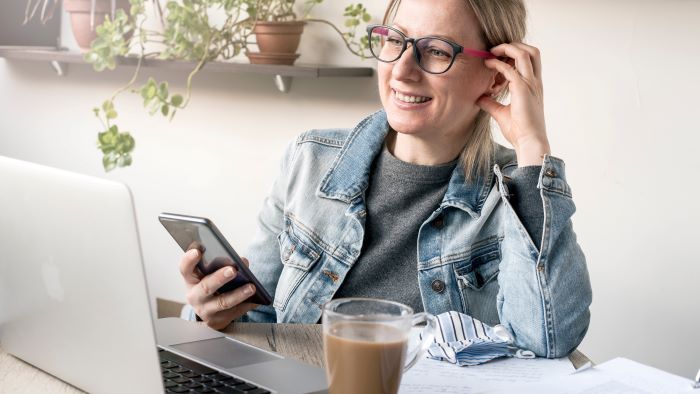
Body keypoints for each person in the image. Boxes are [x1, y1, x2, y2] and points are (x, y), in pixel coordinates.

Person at [179, 0, 592, 358]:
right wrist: (210, 313)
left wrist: (533, 147)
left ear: (498, 76)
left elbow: (546, 340)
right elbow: (260, 318)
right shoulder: (309, 158)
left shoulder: (513, 194)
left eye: (435, 51)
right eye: (395, 40)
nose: (403, 70)